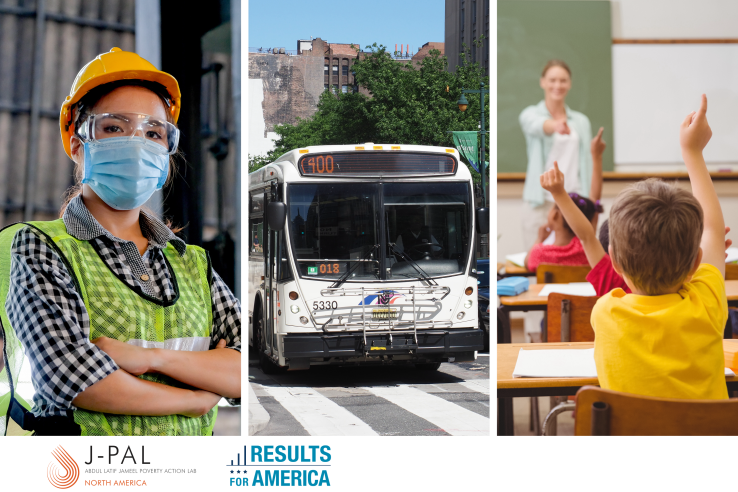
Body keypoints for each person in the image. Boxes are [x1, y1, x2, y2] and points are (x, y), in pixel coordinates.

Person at [0, 48, 241, 436]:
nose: (137, 143)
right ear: (78, 144)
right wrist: (193, 398)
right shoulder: (42, 247)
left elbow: (245, 368)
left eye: (153, 133)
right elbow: (74, 377)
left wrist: (146, 359)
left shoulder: (192, 263)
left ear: (166, 154)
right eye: (114, 127)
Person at [590, 94, 728, 399]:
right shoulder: (707, 303)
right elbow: (714, 232)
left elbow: (712, 234)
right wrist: (692, 152)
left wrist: (690, 149)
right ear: (695, 263)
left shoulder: (606, 312)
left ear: (613, 259)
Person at [519, 60, 599, 250]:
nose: (558, 85)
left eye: (563, 81)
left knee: (573, 260)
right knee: (536, 259)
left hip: (573, 201)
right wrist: (555, 125)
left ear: (569, 84)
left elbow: (587, 163)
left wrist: (591, 202)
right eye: (552, 80)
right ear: (543, 82)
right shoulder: (530, 114)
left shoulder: (581, 122)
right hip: (540, 201)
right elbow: (536, 125)